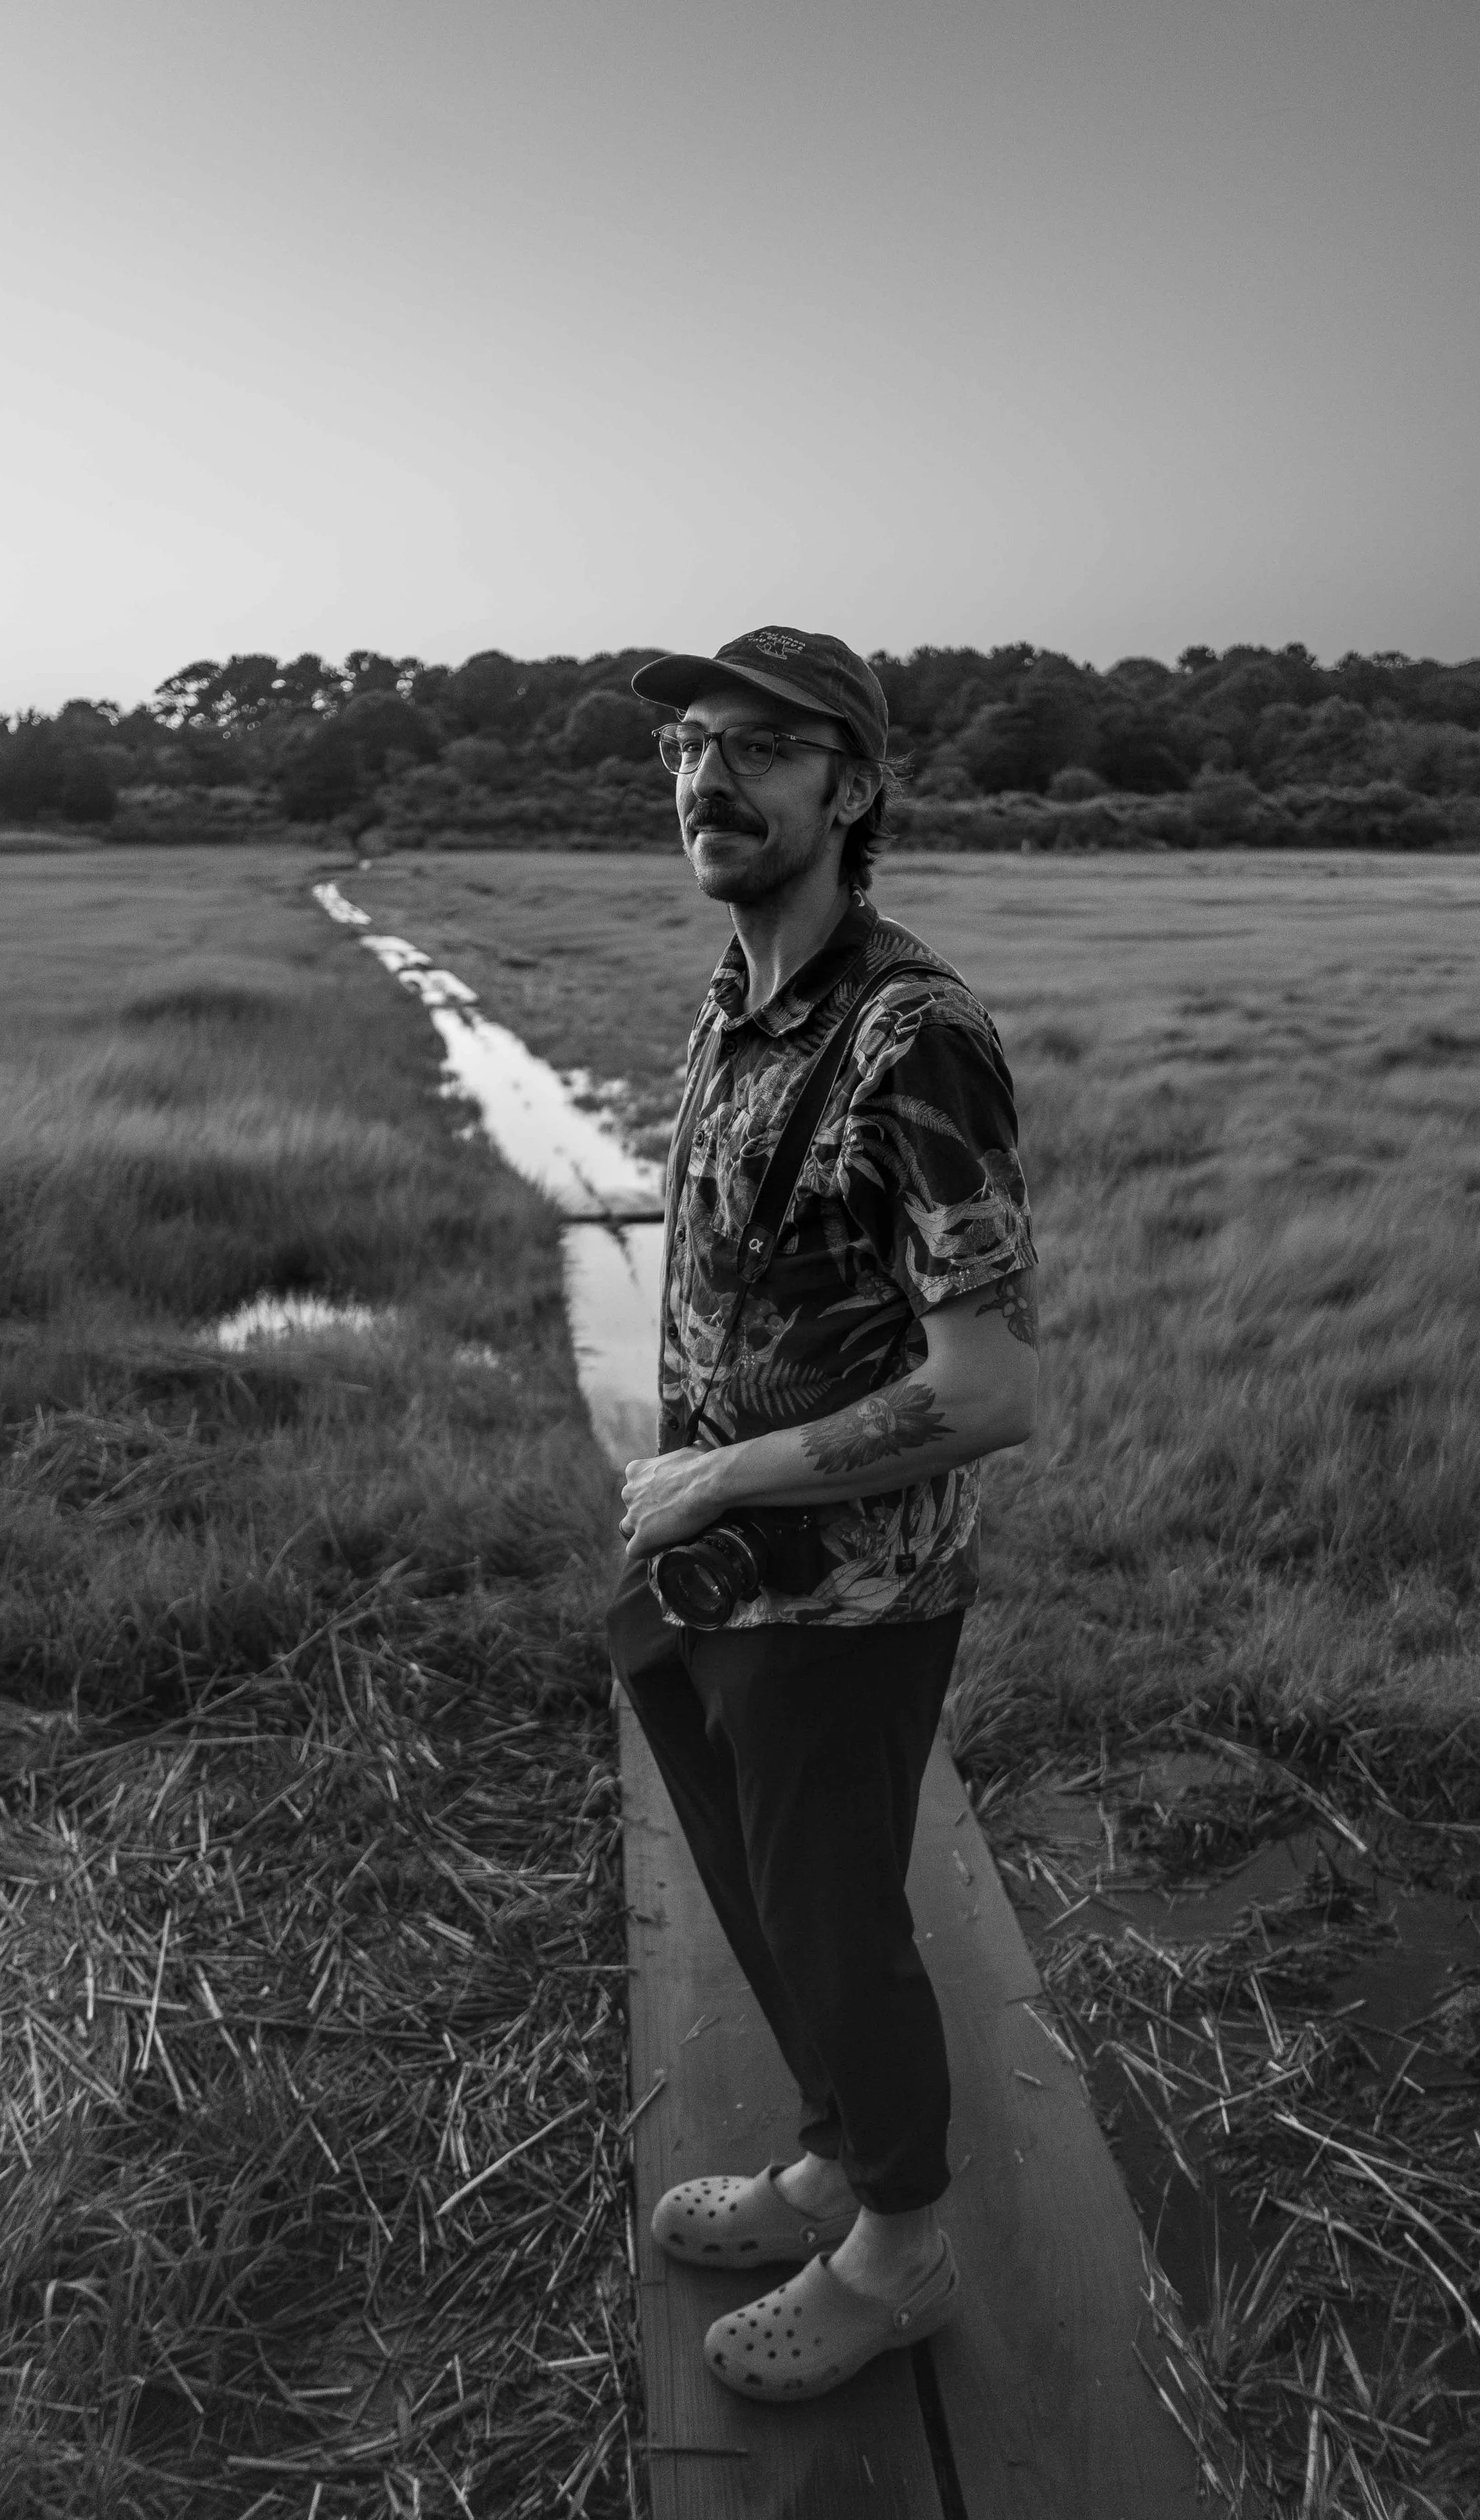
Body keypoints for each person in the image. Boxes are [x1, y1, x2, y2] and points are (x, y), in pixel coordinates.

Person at [608, 624, 1038, 2403]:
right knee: (766, 1904)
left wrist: (720, 1474)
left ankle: (899, 2252)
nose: (707, 777)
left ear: (852, 789)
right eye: (688, 746)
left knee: (839, 1924)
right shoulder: (735, 997)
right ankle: (830, 2163)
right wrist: (692, 1497)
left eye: (760, 747)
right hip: (707, 1573)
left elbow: (988, 1389)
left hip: (845, 1599)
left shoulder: (911, 1038)